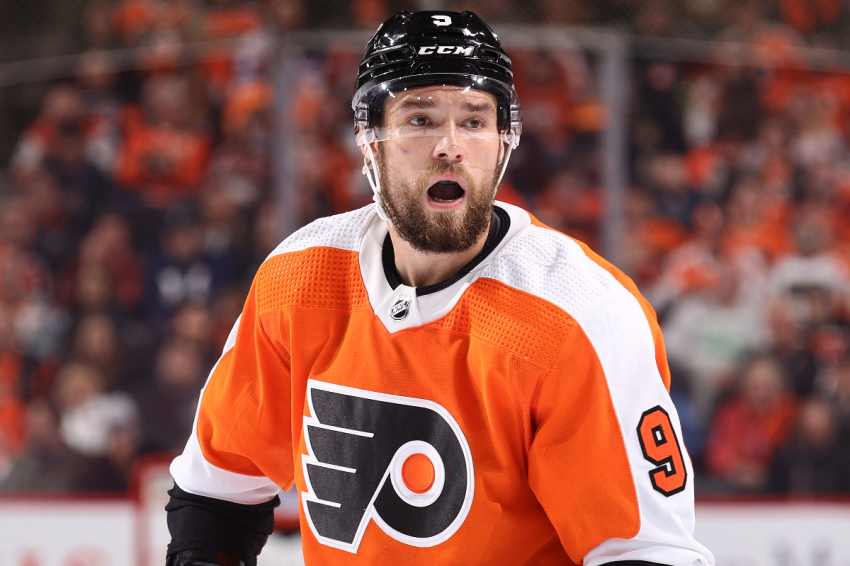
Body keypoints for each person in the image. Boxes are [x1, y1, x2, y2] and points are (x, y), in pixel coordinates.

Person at [165, 10, 715, 566]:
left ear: (503, 141)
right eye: (421, 119)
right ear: (369, 140)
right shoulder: (299, 277)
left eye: (474, 121)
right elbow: (216, 495)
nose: (450, 146)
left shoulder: (583, 316)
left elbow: (646, 553)